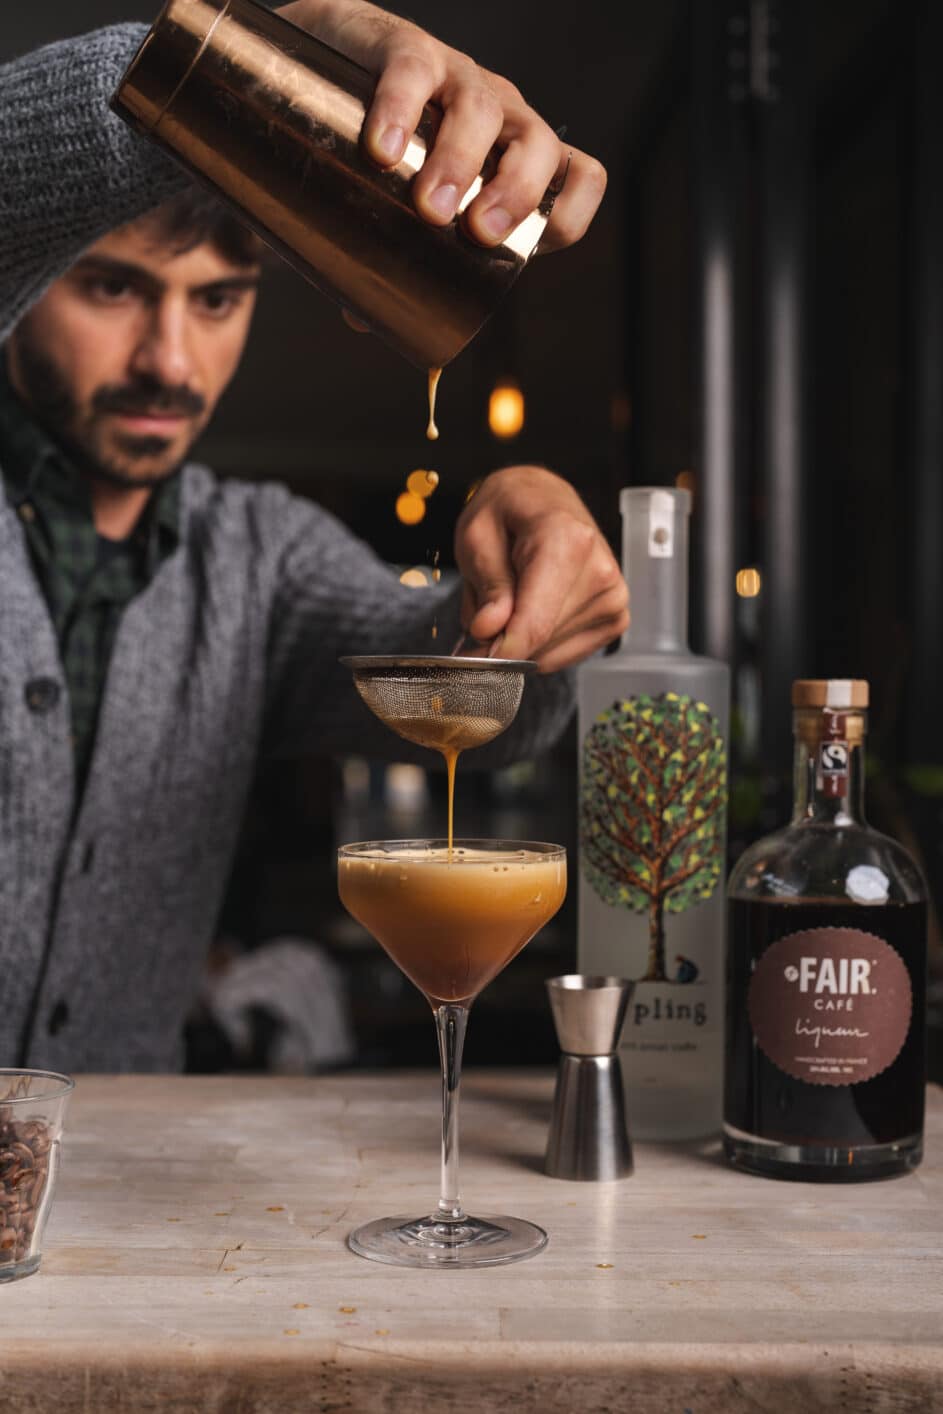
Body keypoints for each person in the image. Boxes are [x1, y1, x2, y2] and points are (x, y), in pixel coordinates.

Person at [0, 1, 628, 1073]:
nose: (169, 359)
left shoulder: (259, 561)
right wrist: (232, 64)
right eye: (113, 289)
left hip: (127, 1209)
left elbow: (476, 694)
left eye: (218, 301)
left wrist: (532, 562)